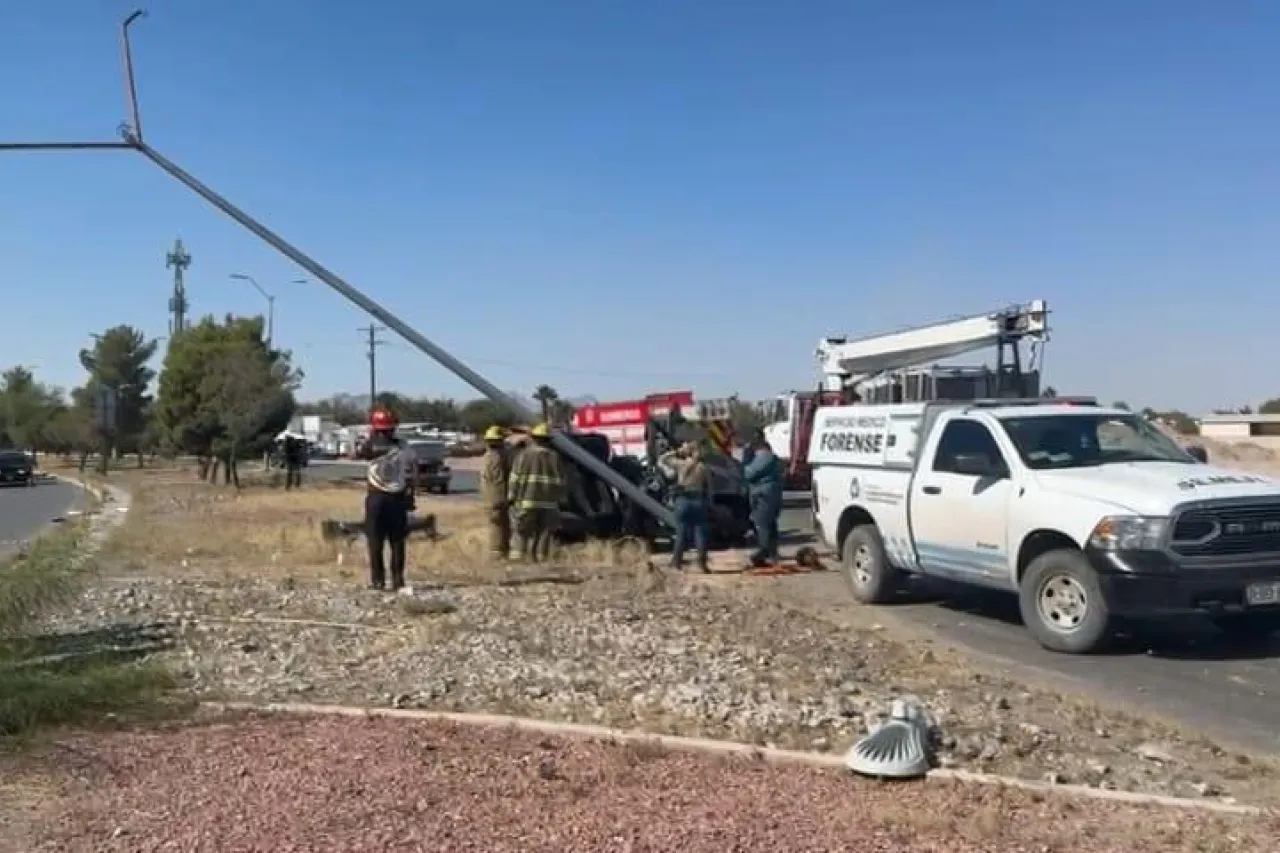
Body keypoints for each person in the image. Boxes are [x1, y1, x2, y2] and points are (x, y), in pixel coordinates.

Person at [361, 408, 417, 591]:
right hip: (397, 497)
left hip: (376, 497)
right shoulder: (403, 447)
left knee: (375, 542)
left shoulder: (370, 446)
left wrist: (372, 435)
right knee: (397, 542)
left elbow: (360, 453)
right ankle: (398, 580)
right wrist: (411, 495)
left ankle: (378, 581)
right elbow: (411, 471)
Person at [507, 423, 565, 563]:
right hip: (549, 504)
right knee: (544, 532)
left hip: (526, 501)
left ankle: (519, 558)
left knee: (521, 531)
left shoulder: (523, 456)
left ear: (534, 439)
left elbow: (515, 478)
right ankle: (541, 559)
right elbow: (562, 481)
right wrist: (560, 499)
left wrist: (511, 496)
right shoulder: (555, 457)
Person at [659, 439, 711, 573]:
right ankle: (701, 564)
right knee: (700, 533)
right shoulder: (703, 468)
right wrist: (710, 503)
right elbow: (709, 489)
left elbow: (663, 459)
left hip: (683, 501)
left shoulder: (680, 464)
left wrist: (677, 451)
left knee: (681, 532)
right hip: (698, 501)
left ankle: (676, 562)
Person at [742, 433, 783, 566]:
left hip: (764, 494)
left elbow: (748, 474)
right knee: (770, 523)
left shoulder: (764, 457)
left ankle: (764, 551)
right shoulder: (771, 458)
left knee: (763, 523)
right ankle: (772, 552)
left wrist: (745, 460)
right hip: (769, 493)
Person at [479, 425, 512, 560]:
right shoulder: (498, 457)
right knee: (500, 526)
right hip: (498, 496)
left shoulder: (487, 456)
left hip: (489, 497)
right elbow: (499, 479)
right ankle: (498, 552)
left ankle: (498, 551)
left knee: (496, 525)